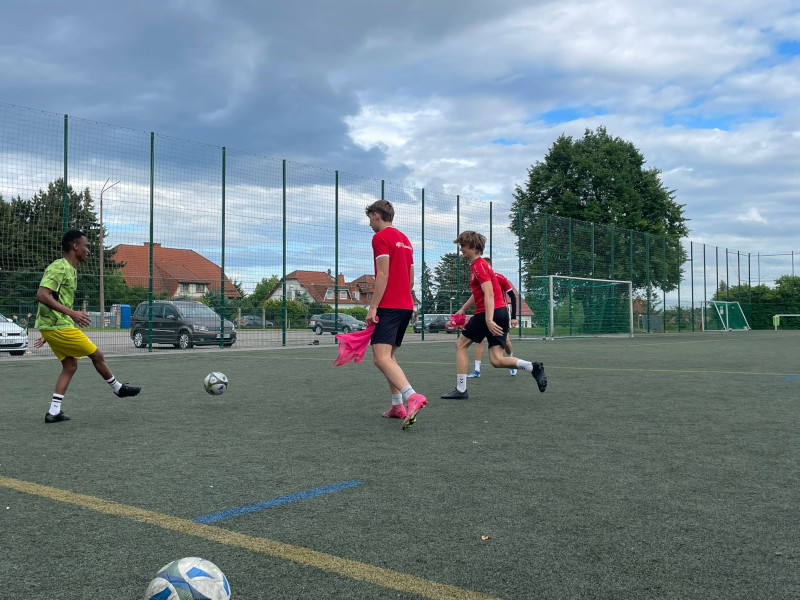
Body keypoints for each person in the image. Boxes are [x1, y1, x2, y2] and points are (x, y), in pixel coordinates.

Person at [35, 229, 141, 423]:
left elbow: (54, 300)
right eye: (86, 246)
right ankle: (117, 388)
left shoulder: (71, 270)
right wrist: (72, 314)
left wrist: (47, 331)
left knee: (70, 366)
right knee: (97, 355)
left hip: (54, 327)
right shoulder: (59, 267)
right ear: (75, 246)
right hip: (58, 327)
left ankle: (54, 412)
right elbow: (42, 295)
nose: (88, 250)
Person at [441, 231, 546, 400]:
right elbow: (479, 293)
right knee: (496, 360)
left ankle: (461, 390)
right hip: (500, 312)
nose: (461, 250)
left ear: (474, 247)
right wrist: (463, 309)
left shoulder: (479, 265)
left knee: (460, 345)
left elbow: (488, 294)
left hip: (488, 313)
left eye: (463, 246)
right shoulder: (480, 266)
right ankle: (533, 367)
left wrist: (488, 319)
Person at [365, 200, 427, 430]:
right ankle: (396, 406)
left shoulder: (380, 238)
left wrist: (373, 308)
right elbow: (411, 280)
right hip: (406, 307)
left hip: (389, 307)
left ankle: (412, 397)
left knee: (380, 358)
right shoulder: (406, 241)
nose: (369, 224)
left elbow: (382, 275)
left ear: (377, 215)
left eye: (370, 218)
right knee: (389, 358)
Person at [467, 257, 518, 377]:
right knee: (478, 341)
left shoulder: (499, 278)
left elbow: (513, 296)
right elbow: (476, 296)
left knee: (506, 341)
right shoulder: (479, 278)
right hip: (483, 313)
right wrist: (464, 308)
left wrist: (514, 316)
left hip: (499, 314)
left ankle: (511, 361)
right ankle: (477, 370)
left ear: (490, 267)